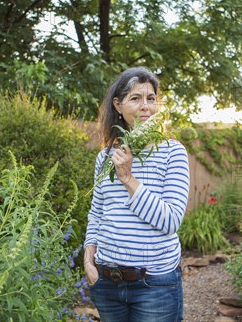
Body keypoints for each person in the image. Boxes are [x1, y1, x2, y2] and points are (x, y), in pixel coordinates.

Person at [83, 67, 190, 322]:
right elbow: (97, 212)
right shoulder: (105, 156)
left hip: (155, 284)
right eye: (136, 98)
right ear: (118, 106)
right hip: (107, 283)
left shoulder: (172, 152)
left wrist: (128, 179)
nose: (146, 106)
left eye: (151, 98)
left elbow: (170, 221)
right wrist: (88, 258)